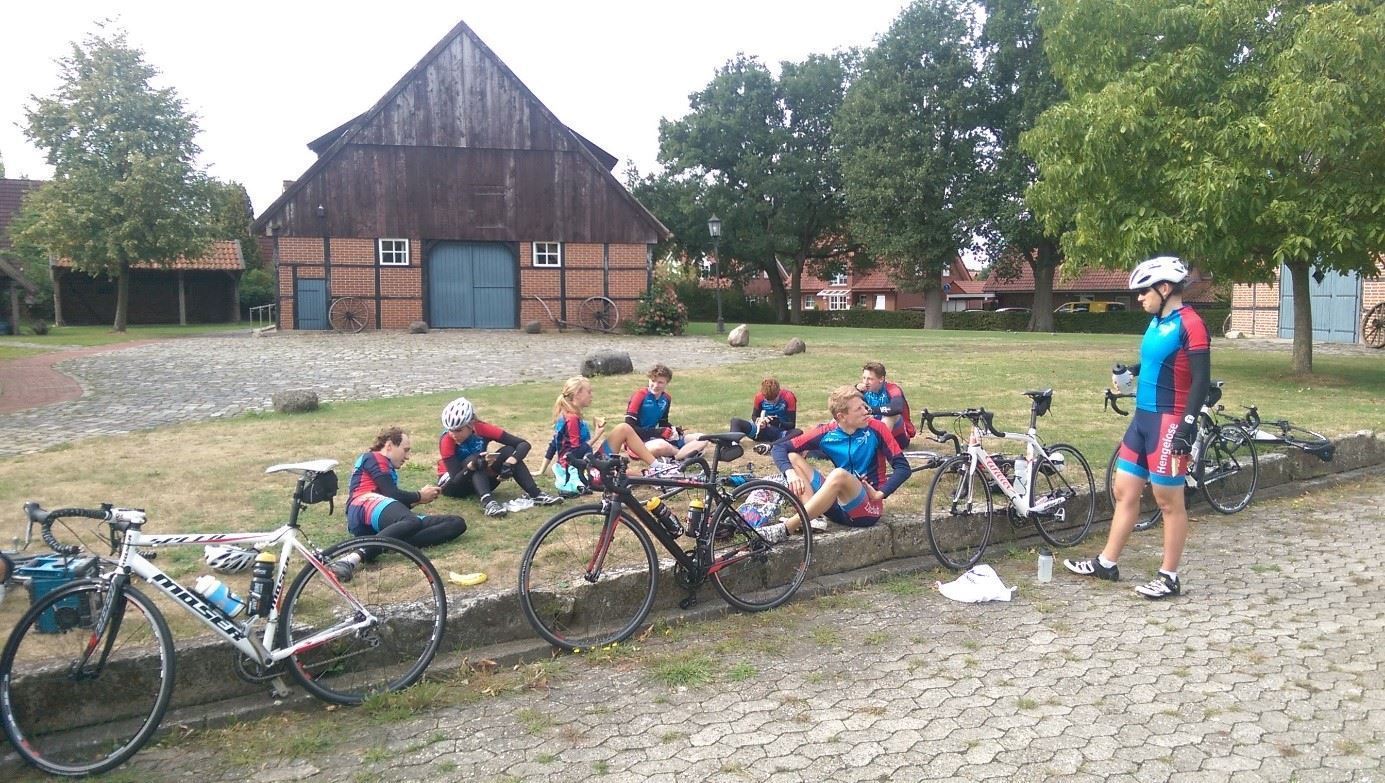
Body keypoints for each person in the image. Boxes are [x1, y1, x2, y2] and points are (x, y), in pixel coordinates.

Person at [1065, 255, 1209, 599]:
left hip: (1170, 420)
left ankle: (1169, 577)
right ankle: (1107, 563)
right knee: (1124, 490)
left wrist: (1187, 426)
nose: (1140, 298)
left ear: (1165, 288)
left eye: (1144, 292)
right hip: (1143, 419)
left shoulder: (1191, 324)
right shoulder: (1157, 322)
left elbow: (1201, 379)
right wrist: (1131, 371)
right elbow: (1154, 362)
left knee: (1168, 500)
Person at [758, 385, 912, 541]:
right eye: (859, 409)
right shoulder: (827, 432)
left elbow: (903, 468)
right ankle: (813, 519)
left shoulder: (877, 428)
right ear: (842, 416)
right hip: (835, 506)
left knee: (838, 474)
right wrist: (790, 473)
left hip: (866, 510)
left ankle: (786, 528)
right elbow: (780, 448)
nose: (867, 411)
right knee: (792, 457)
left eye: (864, 406)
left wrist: (880, 493)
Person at [333, 426, 466, 581]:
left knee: (456, 523)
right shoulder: (374, 457)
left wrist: (418, 500)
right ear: (389, 446)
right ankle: (352, 558)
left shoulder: (386, 466)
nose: (407, 456)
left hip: (378, 513)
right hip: (362, 504)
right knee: (411, 521)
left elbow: (390, 503)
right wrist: (419, 495)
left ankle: (388, 543)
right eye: (405, 450)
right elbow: (392, 494)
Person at [436, 396, 562, 518]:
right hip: (453, 485)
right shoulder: (446, 440)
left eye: (458, 430)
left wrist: (510, 463)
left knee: (508, 451)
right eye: (450, 430)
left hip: (478, 481)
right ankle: (488, 503)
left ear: (471, 424)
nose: (453, 434)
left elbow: (523, 444)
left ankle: (536, 494)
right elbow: (456, 479)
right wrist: (471, 466)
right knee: (476, 459)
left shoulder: (481, 428)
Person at [541, 376, 662, 495]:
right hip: (581, 469)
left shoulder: (566, 414)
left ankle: (656, 469)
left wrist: (542, 470)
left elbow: (554, 444)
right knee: (618, 471)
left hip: (580, 464)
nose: (591, 395)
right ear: (577, 394)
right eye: (589, 392)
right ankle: (655, 472)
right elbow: (574, 453)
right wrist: (596, 436)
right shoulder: (572, 419)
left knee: (623, 429)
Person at [625, 363, 707, 461]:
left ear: (666, 383)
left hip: (654, 438)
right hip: (637, 443)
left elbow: (663, 423)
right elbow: (629, 427)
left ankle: (682, 454)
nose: (655, 385)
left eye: (660, 382)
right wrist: (659, 432)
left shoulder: (666, 398)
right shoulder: (639, 396)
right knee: (662, 445)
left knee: (703, 437)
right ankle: (684, 455)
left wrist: (674, 430)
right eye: (653, 381)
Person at [729, 377, 801, 455]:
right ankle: (733, 445)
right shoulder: (759, 397)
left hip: (780, 433)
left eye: (774, 399)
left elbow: (792, 425)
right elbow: (754, 416)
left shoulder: (788, 397)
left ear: (778, 392)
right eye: (767, 399)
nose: (771, 402)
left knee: (798, 432)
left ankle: (769, 446)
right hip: (761, 432)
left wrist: (778, 423)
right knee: (735, 421)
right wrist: (758, 421)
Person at [856, 361, 916, 450]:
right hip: (874, 430)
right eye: (864, 378)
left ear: (881, 379)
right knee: (848, 411)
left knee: (890, 415)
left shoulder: (892, 389)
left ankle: (877, 448)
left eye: (870, 379)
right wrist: (855, 389)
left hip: (899, 437)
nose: (865, 382)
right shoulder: (863, 391)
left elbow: (897, 408)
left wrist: (870, 410)